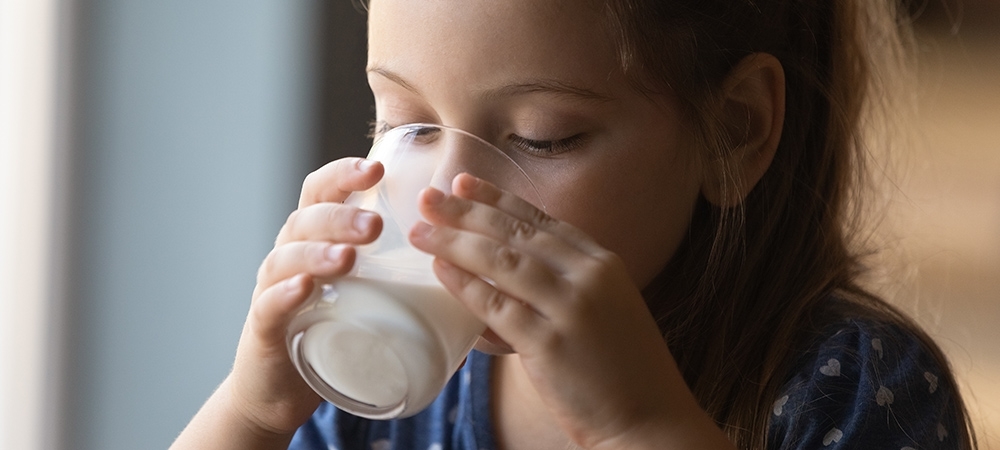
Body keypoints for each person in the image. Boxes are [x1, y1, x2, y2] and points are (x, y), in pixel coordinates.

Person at [172, 0, 978, 448]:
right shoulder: (380, 408)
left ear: (733, 130)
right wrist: (253, 411)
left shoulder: (854, 389)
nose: (441, 196)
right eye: (405, 121)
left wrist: (641, 426)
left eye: (540, 137)